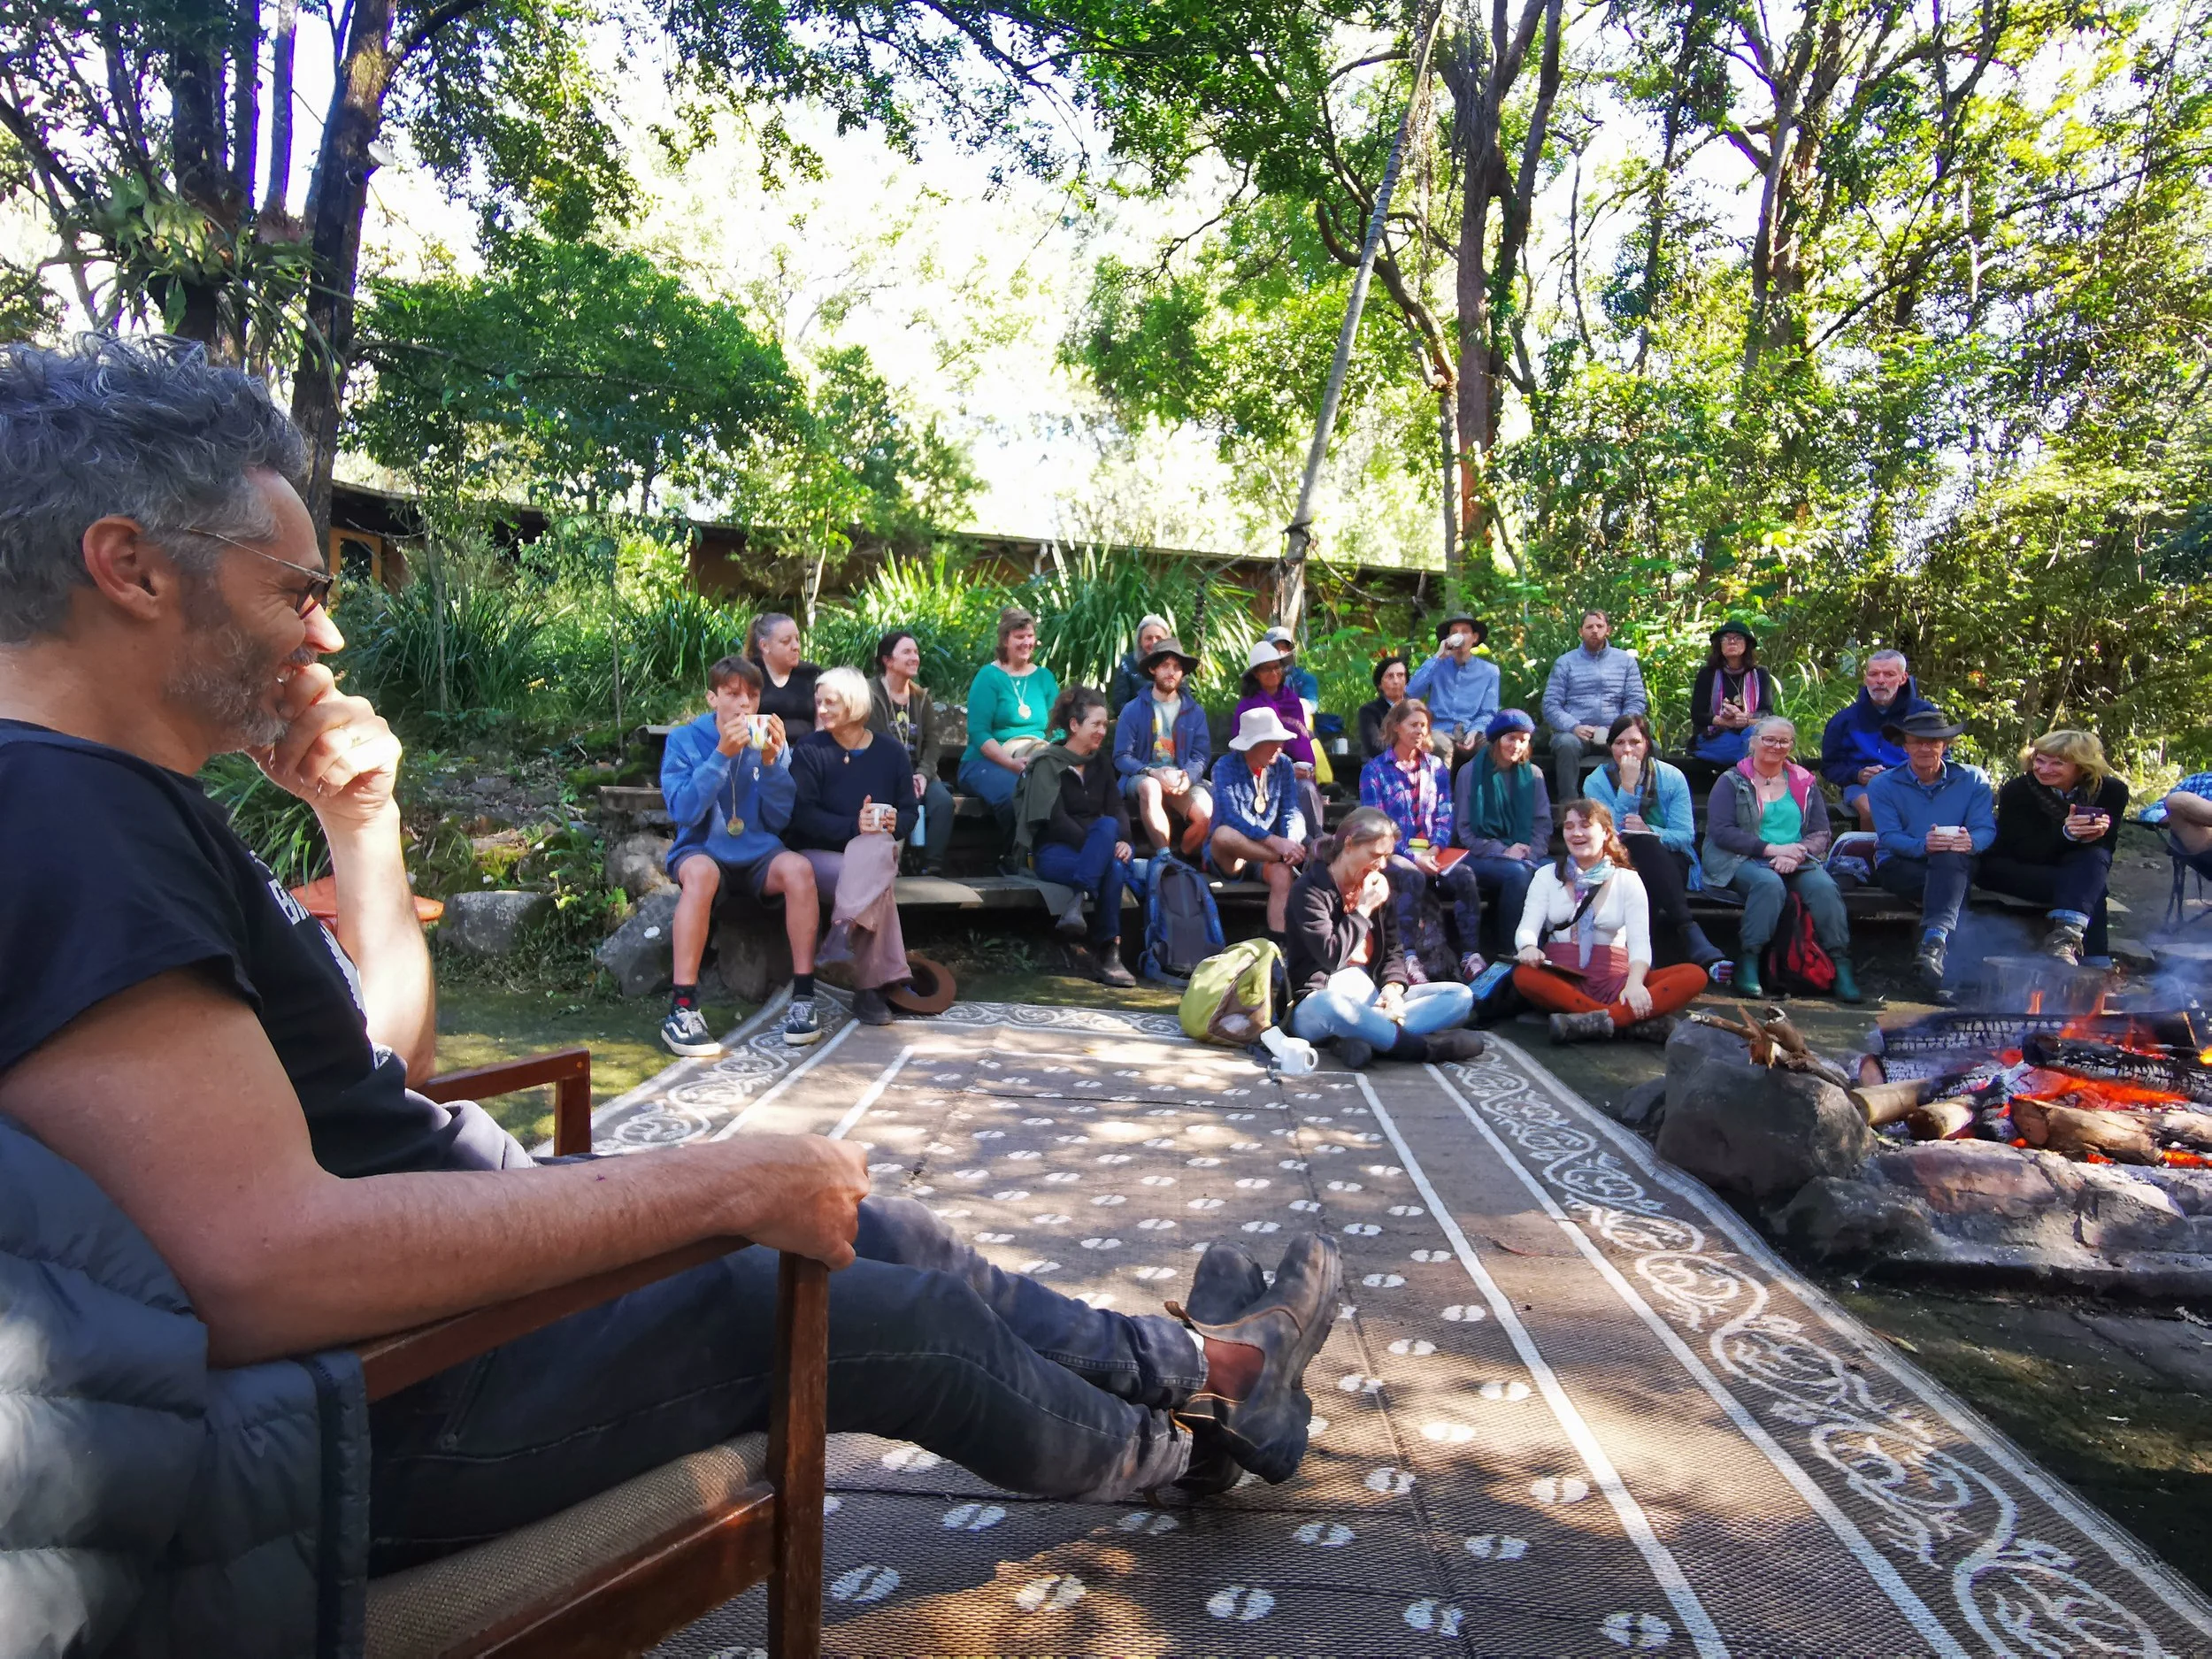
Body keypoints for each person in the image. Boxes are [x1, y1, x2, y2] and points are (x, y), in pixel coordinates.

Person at [0, 336, 1345, 1550]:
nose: (327, 626)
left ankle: (1212, 1365)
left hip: (441, 1304)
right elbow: (259, 1264)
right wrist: (710, 1186)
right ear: (128, 565)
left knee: (887, 1231)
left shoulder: (113, 796)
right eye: (296, 587)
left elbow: (382, 1072)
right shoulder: (64, 811)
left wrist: (366, 822)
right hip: (401, 1396)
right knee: (891, 1312)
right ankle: (1195, 1440)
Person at [660, 656, 822, 1053]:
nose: (744, 704)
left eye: (752, 694)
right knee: (701, 875)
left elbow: (779, 817)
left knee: (799, 870)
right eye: (733, 694)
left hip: (757, 854)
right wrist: (720, 755)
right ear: (712, 698)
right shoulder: (684, 740)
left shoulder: (766, 739)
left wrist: (771, 764)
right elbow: (683, 811)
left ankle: (803, 997)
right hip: (702, 849)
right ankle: (682, 1007)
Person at [1283, 808, 1488, 1071]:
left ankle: (1361, 1037)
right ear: (1349, 845)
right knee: (1332, 1006)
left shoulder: (1379, 885)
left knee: (1460, 995)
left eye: (1387, 856)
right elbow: (1331, 957)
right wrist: (1363, 910)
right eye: (1375, 855)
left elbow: (1394, 951)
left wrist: (1393, 988)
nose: (1381, 865)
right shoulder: (1310, 891)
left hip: (1371, 998)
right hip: (1319, 1000)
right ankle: (1422, 1048)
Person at [784, 668, 920, 1026]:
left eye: (832, 702)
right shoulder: (810, 750)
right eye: (819, 702)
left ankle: (841, 932)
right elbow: (800, 817)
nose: (822, 709)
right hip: (818, 856)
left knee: (875, 846)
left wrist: (895, 823)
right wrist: (851, 826)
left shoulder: (890, 752)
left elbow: (909, 812)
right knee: (878, 886)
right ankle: (871, 991)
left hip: (873, 854)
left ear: (855, 704)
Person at [1512, 801, 1711, 1044]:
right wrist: (1528, 947)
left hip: (1618, 981)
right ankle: (1623, 1023)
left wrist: (1636, 984)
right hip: (1566, 979)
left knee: (1694, 975)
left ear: (1606, 832)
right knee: (1524, 976)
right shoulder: (1547, 875)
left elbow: (1640, 943)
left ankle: (1592, 1022)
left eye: (1585, 826)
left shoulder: (1627, 879)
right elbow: (1527, 927)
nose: (1576, 833)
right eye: (1569, 826)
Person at [1702, 716, 1861, 1002]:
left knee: (1824, 888)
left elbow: (1820, 832)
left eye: (1783, 741)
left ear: (1791, 745)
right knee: (1769, 884)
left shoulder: (1804, 781)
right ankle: (1749, 962)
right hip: (1741, 857)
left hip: (1795, 857)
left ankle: (1841, 965)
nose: (1776, 746)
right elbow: (1722, 832)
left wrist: (1798, 851)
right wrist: (1772, 850)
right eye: (1769, 739)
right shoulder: (1731, 781)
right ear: (1753, 743)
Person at [1866, 709, 1996, 1003]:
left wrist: (1970, 842)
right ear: (1905, 745)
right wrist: (1924, 845)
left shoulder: (1972, 779)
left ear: (1944, 746)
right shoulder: (1883, 784)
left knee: (1950, 865)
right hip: (1901, 864)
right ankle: (1947, 974)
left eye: (1932, 742)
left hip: (1956, 861)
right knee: (1952, 888)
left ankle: (1933, 951)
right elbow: (1888, 837)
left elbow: (1985, 829)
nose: (1925, 748)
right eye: (1917, 742)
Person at [1015, 686, 1140, 987]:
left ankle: (1082, 903)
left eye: (1104, 724)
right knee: (1110, 858)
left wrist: (1125, 842)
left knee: (1111, 835)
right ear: (1074, 725)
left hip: (1093, 851)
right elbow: (1055, 822)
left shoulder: (1101, 764)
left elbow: (1116, 808)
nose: (1102, 730)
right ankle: (1109, 954)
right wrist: (1103, 847)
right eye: (1095, 724)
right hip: (1053, 853)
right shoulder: (1048, 764)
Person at [1582, 712, 1725, 970]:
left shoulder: (1671, 777)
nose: (1627, 749)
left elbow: (1684, 835)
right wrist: (1627, 787)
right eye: (1619, 743)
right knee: (1639, 856)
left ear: (1647, 743)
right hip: (1618, 860)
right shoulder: (1596, 782)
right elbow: (1610, 834)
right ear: (1610, 747)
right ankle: (1687, 930)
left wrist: (1651, 830)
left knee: (1646, 854)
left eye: (1635, 742)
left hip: (1672, 861)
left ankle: (1638, 966)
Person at [1359, 699, 1487, 982]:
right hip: (1392, 852)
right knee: (1412, 876)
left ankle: (1471, 955)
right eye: (1413, 724)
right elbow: (1377, 825)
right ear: (1395, 727)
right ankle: (1407, 957)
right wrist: (1413, 856)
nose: (1420, 730)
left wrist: (1436, 847)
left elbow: (1444, 813)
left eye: (1424, 725)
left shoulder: (1437, 768)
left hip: (1433, 851)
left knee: (1465, 875)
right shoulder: (1375, 770)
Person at [1978, 730, 2130, 965]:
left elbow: (2106, 849)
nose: (2044, 769)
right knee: (2090, 887)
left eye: (2057, 763)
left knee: (2094, 859)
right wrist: (2067, 834)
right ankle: (2094, 961)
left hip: (2072, 869)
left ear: (2082, 767)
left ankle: (2066, 942)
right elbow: (2024, 850)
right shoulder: (2019, 790)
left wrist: (2096, 835)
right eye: (2040, 760)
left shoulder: (2112, 791)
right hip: (2012, 867)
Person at [1452, 709, 1552, 957]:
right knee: (1517, 874)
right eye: (1511, 738)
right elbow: (1465, 831)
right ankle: (1511, 950)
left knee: (1552, 872)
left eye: (1523, 739)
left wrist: (1532, 852)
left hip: (1525, 854)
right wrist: (1504, 851)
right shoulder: (1470, 773)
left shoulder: (1534, 776)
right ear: (1497, 740)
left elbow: (1542, 824)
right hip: (1479, 854)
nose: (1517, 745)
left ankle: (1549, 950)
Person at [1209, 706, 1310, 935]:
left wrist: (1292, 840)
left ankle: (1279, 942)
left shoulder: (1283, 764)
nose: (1279, 746)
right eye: (1272, 741)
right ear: (1252, 745)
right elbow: (1231, 817)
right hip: (1232, 855)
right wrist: (1277, 844)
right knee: (1223, 834)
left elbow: (1291, 810)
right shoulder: (1224, 767)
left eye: (1279, 740)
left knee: (1283, 874)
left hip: (1266, 855)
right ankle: (1283, 858)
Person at [1112, 634, 1212, 856]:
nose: (1171, 672)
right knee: (1151, 787)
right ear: (1153, 669)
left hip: (1181, 779)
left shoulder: (1195, 712)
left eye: (1177, 667)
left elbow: (1201, 755)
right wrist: (1152, 772)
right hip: (1143, 777)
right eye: (1165, 665)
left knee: (1206, 816)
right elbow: (1121, 756)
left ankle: (1181, 862)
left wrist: (1188, 776)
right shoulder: (1133, 709)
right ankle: (1164, 856)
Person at [958, 605, 1060, 823]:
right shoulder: (989, 677)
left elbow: (1058, 728)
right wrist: (1010, 763)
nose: (1026, 642)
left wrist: (1053, 755)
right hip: (985, 763)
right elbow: (979, 732)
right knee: (1016, 792)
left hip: (1036, 759)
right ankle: (1015, 855)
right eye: (1019, 637)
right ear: (1006, 640)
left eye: (1030, 636)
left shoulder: (1044, 677)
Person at [867, 628, 954, 877]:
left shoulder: (921, 697)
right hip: (886, 773)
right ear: (887, 660)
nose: (914, 657)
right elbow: (879, 740)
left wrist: (924, 774)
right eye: (906, 652)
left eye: (916, 652)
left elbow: (933, 742)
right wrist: (906, 777)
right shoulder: (870, 695)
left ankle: (932, 865)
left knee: (942, 802)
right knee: (896, 800)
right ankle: (895, 863)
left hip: (920, 774)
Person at [1819, 649, 1937, 830]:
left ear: (1903, 678)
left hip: (1916, 782)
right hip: (1863, 787)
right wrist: (1857, 774)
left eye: (1889, 674)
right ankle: (1877, 856)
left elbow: (1942, 756)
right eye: (1874, 674)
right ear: (1866, 678)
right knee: (1874, 809)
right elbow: (1829, 766)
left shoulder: (1923, 714)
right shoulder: (1844, 720)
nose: (1880, 680)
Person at [1540, 610, 1647, 807]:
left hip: (1615, 733)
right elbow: (1550, 705)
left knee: (1647, 745)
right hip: (1577, 733)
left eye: (1599, 626)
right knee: (1566, 743)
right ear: (1581, 631)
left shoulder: (1625, 662)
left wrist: (1619, 729)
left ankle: (1641, 803)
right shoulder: (1565, 663)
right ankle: (1568, 808)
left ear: (1608, 630)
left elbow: (1636, 700)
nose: (1595, 631)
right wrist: (1574, 726)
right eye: (1589, 627)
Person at [1233, 638, 1325, 842]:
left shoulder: (1293, 701)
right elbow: (1242, 752)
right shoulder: (1248, 706)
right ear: (1255, 674)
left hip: (1294, 775)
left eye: (1277, 667)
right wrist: (1284, 769)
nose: (1274, 673)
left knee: (1307, 789)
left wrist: (1305, 768)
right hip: (1258, 778)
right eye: (1266, 669)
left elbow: (1301, 744)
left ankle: (1316, 843)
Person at [1407, 614, 1500, 769]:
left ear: (1475, 638)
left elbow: (1488, 712)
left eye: (1464, 632)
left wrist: (1475, 731)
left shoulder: (1490, 671)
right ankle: (1442, 793)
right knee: (1439, 744)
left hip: (1470, 730)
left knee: (1493, 746)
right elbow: (1412, 692)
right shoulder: (1437, 665)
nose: (1459, 636)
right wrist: (1438, 657)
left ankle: (1482, 793)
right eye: (1455, 632)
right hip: (1440, 730)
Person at [1686, 621, 1782, 769]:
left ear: (1747, 645)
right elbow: (1698, 715)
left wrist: (1745, 718)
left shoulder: (1760, 674)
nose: (1732, 641)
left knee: (1751, 739)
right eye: (1726, 638)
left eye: (1737, 638)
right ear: (1720, 645)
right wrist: (1725, 721)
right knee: (1747, 750)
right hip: (1715, 735)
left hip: (1749, 732)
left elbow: (1767, 714)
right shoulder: (1708, 674)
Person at [746, 611, 821, 741]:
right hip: (761, 752)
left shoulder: (812, 674)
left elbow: (823, 723)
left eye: (798, 639)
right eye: (786, 642)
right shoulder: (747, 674)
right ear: (765, 646)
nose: (796, 647)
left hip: (807, 752)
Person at [1108, 612, 1172, 718]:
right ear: (1140, 641)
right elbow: (1119, 705)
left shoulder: (1177, 665)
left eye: (1158, 638)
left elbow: (1185, 700)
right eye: (1149, 638)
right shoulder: (1127, 664)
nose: (1154, 642)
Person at [1356, 654, 1409, 763]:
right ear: (1380, 684)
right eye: (1390, 676)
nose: (1396, 681)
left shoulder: (1415, 708)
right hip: (1380, 766)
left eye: (1400, 675)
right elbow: (1375, 747)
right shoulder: (1369, 711)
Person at [1264, 625, 1322, 714]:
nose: (1280, 652)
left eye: (1284, 647)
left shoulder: (1305, 679)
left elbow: (1311, 705)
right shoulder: (1260, 681)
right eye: (1275, 648)